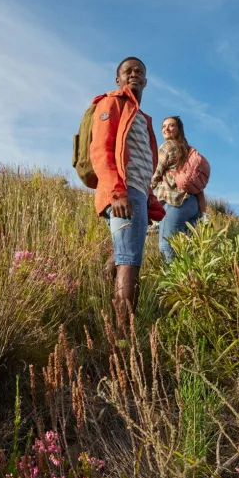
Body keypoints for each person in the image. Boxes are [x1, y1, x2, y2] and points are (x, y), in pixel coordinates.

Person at [89, 56, 165, 334]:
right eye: (128, 71)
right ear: (118, 78)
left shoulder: (142, 119)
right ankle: (122, 338)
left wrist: (148, 198)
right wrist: (117, 192)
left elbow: (144, 161)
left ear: (145, 80)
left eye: (139, 72)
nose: (134, 74)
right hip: (123, 192)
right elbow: (100, 151)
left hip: (137, 194)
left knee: (123, 256)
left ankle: (103, 310)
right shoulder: (111, 102)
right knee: (130, 261)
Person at [151, 116, 205, 263]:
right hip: (192, 205)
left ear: (179, 129)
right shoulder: (187, 150)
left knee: (165, 246)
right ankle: (190, 282)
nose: (166, 129)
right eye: (163, 126)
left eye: (171, 126)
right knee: (185, 249)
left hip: (174, 202)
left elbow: (155, 174)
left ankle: (173, 284)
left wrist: (142, 191)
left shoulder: (167, 147)